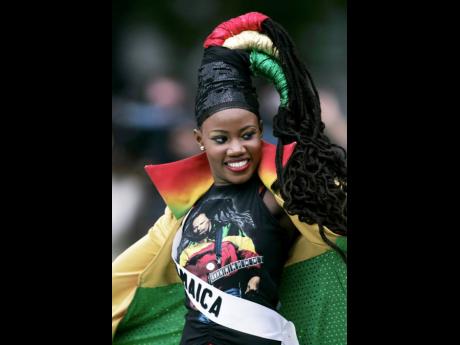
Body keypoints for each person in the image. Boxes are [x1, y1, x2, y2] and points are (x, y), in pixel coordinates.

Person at [112, 12, 347, 345]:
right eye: (221, 138)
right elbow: (121, 287)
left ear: (260, 133)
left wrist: (308, 119)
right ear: (199, 140)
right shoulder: (177, 216)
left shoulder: (281, 195)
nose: (236, 148)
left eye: (247, 135)